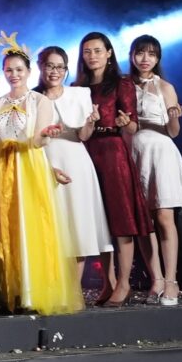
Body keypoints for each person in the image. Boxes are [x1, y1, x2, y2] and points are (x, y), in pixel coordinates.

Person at [0, 46, 78, 315]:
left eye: (19, 69)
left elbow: (37, 140)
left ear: (28, 71)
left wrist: (46, 134)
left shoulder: (39, 101)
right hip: (1, 167)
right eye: (9, 70)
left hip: (29, 166)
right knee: (7, 227)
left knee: (32, 224)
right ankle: (13, 289)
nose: (14, 74)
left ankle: (35, 290)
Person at [37, 44, 111, 299]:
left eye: (60, 67)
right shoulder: (33, 98)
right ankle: (51, 287)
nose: (54, 71)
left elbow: (83, 135)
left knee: (77, 222)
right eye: (49, 66)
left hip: (76, 160)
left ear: (66, 70)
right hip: (45, 161)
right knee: (52, 225)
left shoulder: (79, 93)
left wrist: (91, 122)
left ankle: (72, 289)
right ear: (40, 67)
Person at [77, 33, 144, 305]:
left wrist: (126, 123)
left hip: (113, 151)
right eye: (87, 51)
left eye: (97, 50)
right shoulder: (78, 88)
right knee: (99, 221)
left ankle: (124, 283)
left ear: (108, 53)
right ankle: (108, 282)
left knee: (121, 218)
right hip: (86, 152)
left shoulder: (121, 83)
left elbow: (133, 126)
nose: (92, 56)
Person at [127, 36, 182, 304]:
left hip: (161, 153)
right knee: (143, 221)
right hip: (134, 152)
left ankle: (171, 281)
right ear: (132, 55)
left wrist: (174, 117)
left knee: (165, 217)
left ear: (158, 58)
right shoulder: (124, 85)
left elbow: (173, 132)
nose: (145, 59)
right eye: (140, 53)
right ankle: (155, 279)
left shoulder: (165, 87)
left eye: (151, 54)